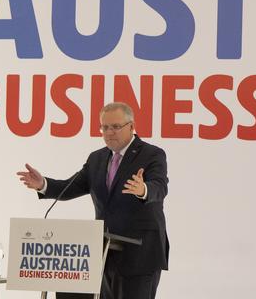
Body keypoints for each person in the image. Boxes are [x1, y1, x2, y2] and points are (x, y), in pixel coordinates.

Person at [17, 102, 169, 299]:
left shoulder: (152, 154)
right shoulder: (96, 158)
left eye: (115, 126)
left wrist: (143, 189)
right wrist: (43, 184)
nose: (109, 132)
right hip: (103, 253)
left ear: (131, 127)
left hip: (140, 253)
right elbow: (71, 187)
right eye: (104, 127)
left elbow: (160, 187)